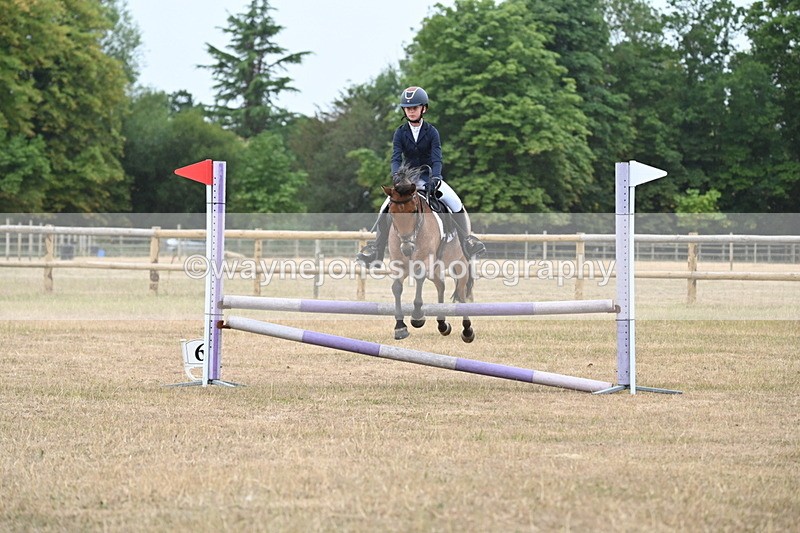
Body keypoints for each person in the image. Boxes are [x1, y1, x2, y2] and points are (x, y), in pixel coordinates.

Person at [356, 86, 486, 267]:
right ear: (404, 110)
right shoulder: (400, 132)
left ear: (423, 108)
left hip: (430, 177)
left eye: (414, 107)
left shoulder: (432, 132)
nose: (411, 111)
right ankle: (376, 251)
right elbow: (395, 157)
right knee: (384, 208)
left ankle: (467, 242)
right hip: (407, 180)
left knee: (455, 202)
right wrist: (396, 176)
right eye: (408, 108)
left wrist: (436, 178)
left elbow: (437, 158)